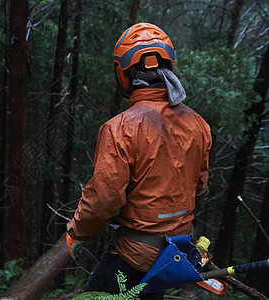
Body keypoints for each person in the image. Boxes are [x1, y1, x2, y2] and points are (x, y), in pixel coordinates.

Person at [66, 22, 212, 299]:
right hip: (177, 251)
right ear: (170, 65)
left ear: (123, 72)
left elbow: (104, 199)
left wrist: (77, 231)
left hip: (134, 255)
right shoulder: (199, 125)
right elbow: (200, 187)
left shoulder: (120, 128)